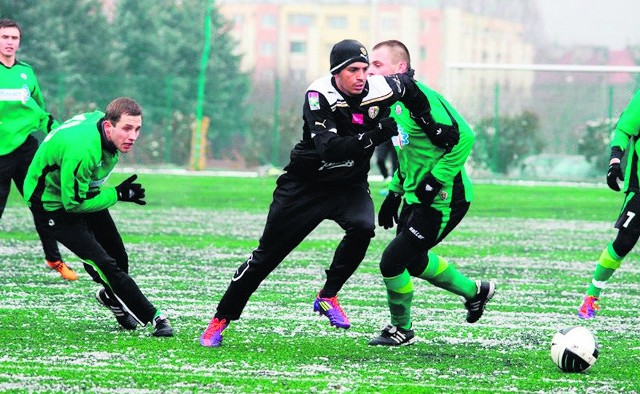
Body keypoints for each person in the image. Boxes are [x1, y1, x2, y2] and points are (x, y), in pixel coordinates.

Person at [200, 39, 459, 347]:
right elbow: (330, 149)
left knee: (364, 227)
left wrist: (431, 125)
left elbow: (412, 91)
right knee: (266, 257)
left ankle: (328, 296)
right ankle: (220, 319)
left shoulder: (380, 88)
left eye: (365, 68)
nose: (361, 76)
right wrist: (378, 133)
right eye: (353, 70)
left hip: (349, 185)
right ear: (336, 72)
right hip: (305, 185)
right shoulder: (318, 94)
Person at [366, 40, 495, 346]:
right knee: (413, 260)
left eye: (378, 65)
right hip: (415, 197)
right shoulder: (393, 104)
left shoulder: (421, 97)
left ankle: (402, 329)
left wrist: (435, 180)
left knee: (392, 261)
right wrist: (394, 193)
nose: (371, 70)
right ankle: (475, 292)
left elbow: (465, 137)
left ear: (400, 69)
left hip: (445, 199)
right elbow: (408, 154)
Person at [23, 97, 173, 337]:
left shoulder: (100, 128)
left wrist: (116, 194)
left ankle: (110, 296)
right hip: (52, 207)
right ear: (108, 126)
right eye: (126, 128)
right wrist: (116, 194)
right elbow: (72, 204)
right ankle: (155, 316)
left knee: (118, 255)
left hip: (81, 195)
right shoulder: (84, 150)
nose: (133, 136)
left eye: (137, 129)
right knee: (103, 263)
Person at [0, 18, 77, 280]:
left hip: (26, 150)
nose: (10, 42)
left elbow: (40, 112)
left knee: (41, 204)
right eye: (5, 37)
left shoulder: (26, 73)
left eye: (14, 38)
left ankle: (54, 259)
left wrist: (63, 132)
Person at [578, 90, 640, 320]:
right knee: (624, 242)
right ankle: (591, 296)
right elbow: (623, 130)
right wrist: (615, 161)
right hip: (639, 188)